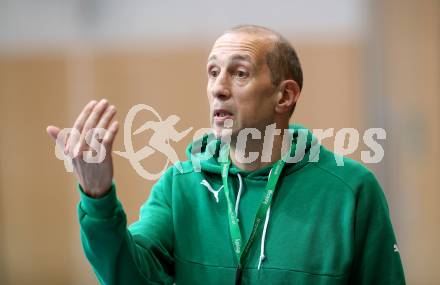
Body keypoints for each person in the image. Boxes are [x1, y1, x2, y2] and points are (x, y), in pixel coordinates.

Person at [46, 25, 406, 284]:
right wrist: (97, 198)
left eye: (239, 73)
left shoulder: (351, 191)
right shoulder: (180, 185)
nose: (218, 88)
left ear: (284, 96)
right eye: (213, 72)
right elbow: (125, 275)